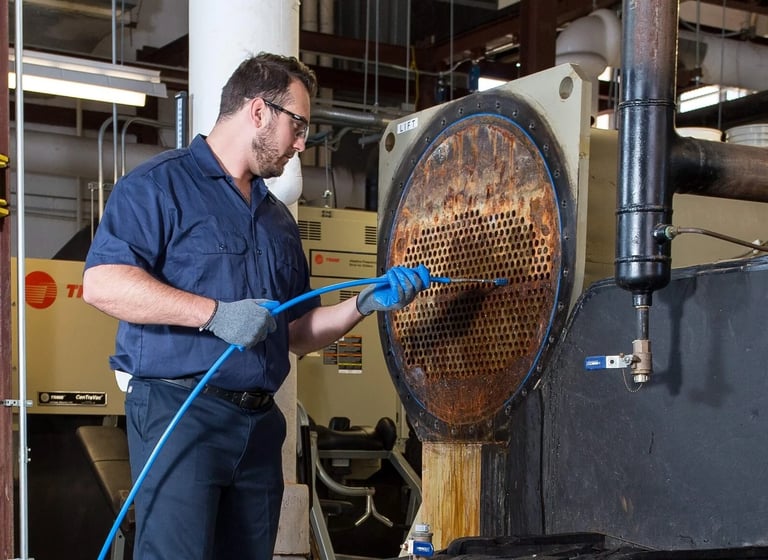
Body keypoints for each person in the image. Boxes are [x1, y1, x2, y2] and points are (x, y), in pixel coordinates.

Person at [82, 52, 429, 560]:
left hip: (259, 426)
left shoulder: (278, 223)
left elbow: (294, 333)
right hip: (180, 413)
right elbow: (102, 283)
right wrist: (215, 314)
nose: (302, 143)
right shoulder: (159, 187)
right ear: (259, 111)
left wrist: (362, 304)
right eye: (299, 125)